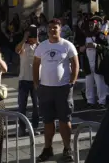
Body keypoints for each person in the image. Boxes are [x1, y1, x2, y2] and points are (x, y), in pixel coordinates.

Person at [34, 19, 78, 162]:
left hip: (63, 88)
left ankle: (67, 148)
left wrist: (72, 82)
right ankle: (48, 148)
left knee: (65, 120)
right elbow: (36, 65)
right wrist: (36, 83)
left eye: (55, 27)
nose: (52, 30)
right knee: (48, 121)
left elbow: (75, 64)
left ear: (60, 29)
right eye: (50, 28)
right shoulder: (42, 46)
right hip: (45, 89)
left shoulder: (67, 45)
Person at [15, 27, 40, 132]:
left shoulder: (39, 46)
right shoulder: (23, 46)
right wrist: (24, 38)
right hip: (24, 79)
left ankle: (35, 127)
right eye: (31, 34)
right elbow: (17, 50)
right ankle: (22, 128)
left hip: (36, 80)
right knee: (22, 106)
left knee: (36, 105)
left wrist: (37, 41)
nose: (32, 37)